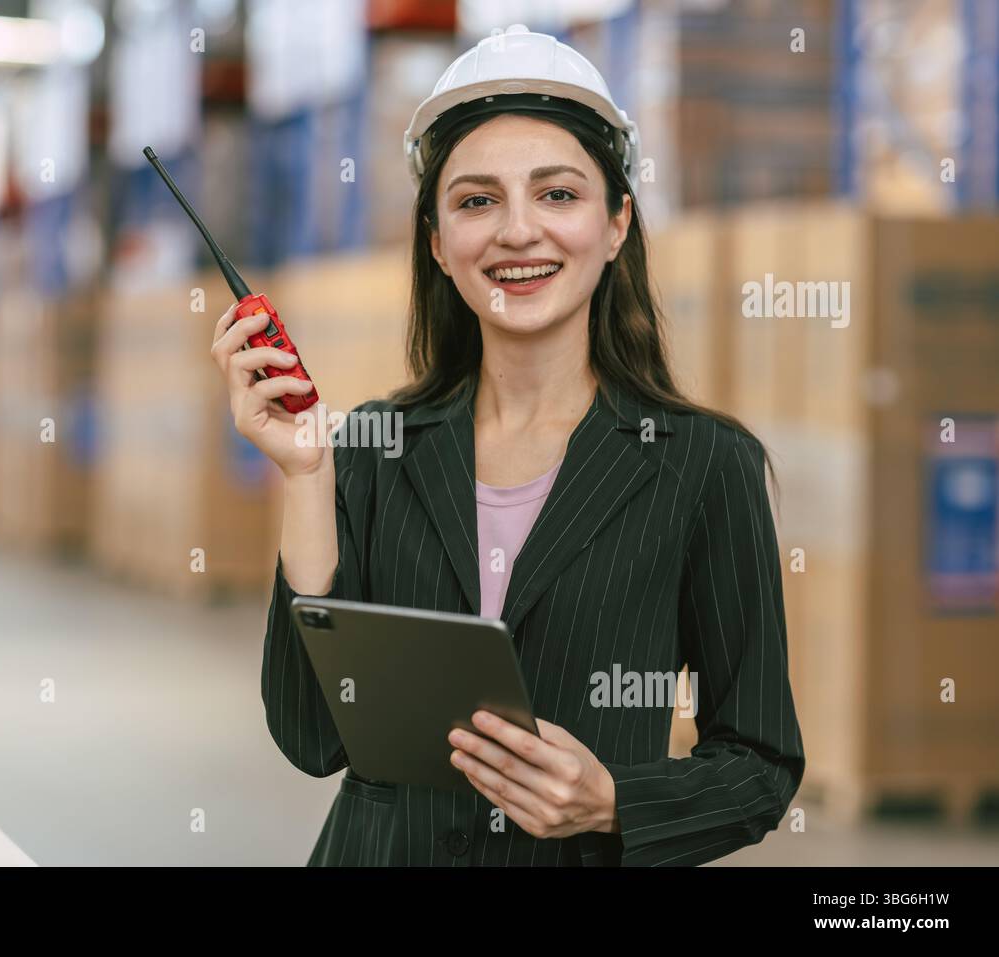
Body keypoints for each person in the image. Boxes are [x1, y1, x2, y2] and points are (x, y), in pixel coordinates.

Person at [211, 25, 804, 866]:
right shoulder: (375, 449)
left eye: (558, 195)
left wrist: (613, 800)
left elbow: (761, 762)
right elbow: (312, 737)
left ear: (617, 223)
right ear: (438, 242)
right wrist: (308, 474)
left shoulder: (703, 465)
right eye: (477, 200)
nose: (517, 231)